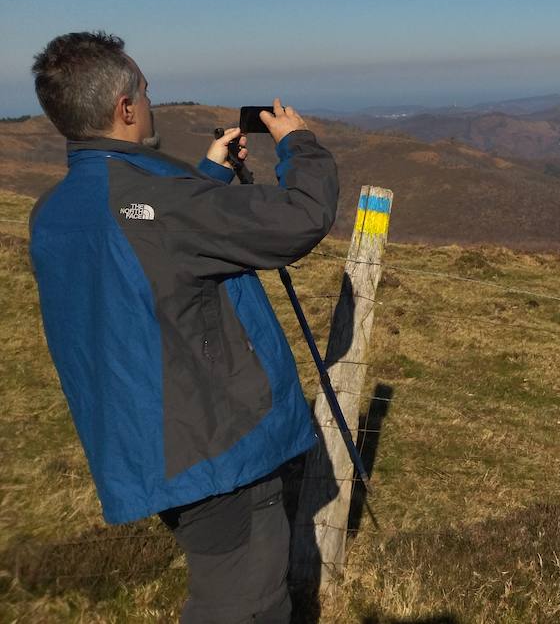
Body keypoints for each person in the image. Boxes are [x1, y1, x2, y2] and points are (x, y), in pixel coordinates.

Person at [27, 31, 339, 623]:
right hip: (211, 439)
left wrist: (208, 179)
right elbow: (299, 218)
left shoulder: (56, 209)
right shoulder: (159, 201)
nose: (150, 98)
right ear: (124, 108)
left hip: (142, 437)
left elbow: (146, 256)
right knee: (247, 602)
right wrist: (300, 145)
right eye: (144, 89)